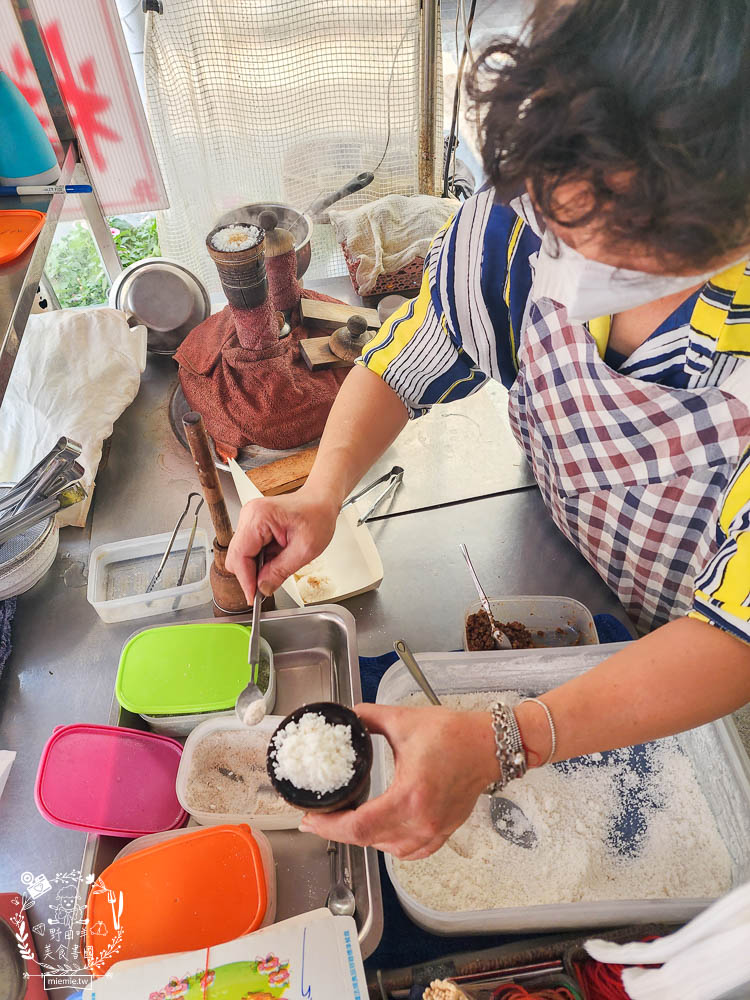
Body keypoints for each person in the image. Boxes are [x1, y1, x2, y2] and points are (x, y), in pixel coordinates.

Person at [227, 0, 750, 861]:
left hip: (695, 663)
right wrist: (323, 494)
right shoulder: (520, 217)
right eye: (558, 220)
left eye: (625, 255)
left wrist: (507, 740)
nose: (571, 269)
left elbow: (733, 638)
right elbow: (417, 345)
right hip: (572, 555)